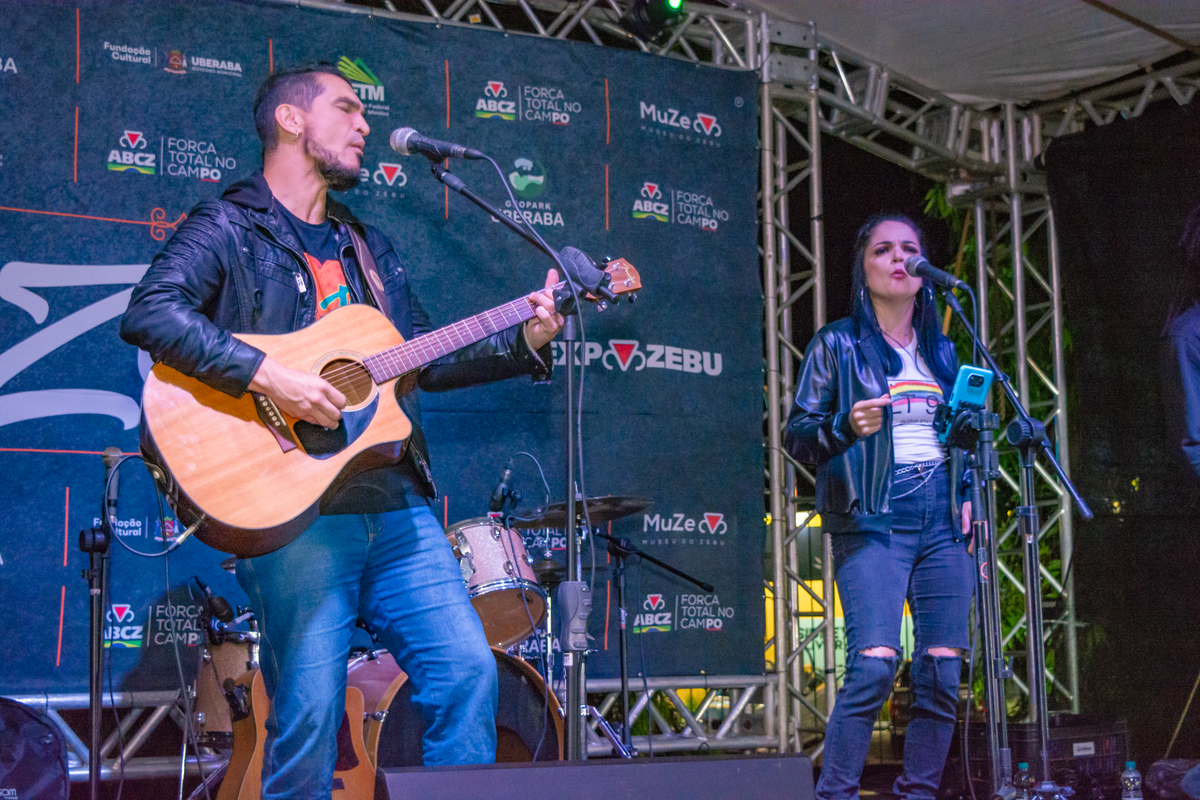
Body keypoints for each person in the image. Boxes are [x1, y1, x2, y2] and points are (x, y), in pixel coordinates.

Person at [119, 63, 563, 798]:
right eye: (347, 108)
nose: (364, 125)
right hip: (295, 513)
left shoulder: (368, 246)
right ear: (291, 120)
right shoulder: (229, 225)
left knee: (466, 673)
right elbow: (151, 311)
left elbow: (423, 359)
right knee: (308, 717)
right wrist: (272, 376)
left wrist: (525, 341)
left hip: (397, 506)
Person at [785, 214, 973, 800]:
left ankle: (918, 793)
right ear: (862, 268)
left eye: (909, 249)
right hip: (874, 514)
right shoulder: (836, 343)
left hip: (944, 516)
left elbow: (966, 439)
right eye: (883, 250)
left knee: (942, 672)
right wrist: (845, 425)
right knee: (873, 665)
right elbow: (797, 435)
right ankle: (834, 794)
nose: (899, 259)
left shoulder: (943, 352)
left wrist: (969, 499)